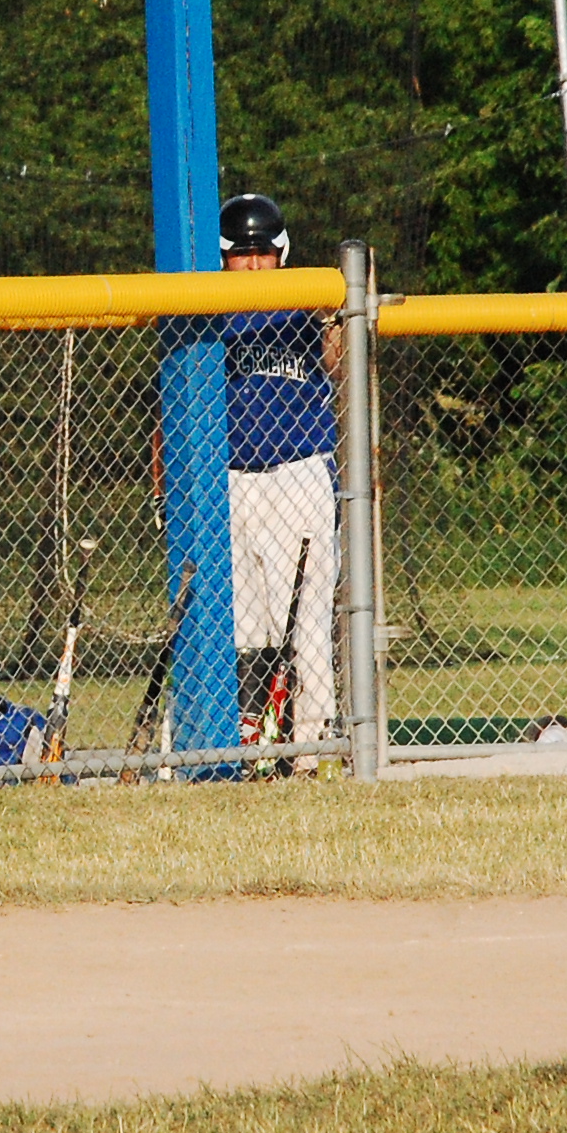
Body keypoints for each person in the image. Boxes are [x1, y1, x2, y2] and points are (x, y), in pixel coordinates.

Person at [218, 191, 340, 766]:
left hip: (298, 473)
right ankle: (253, 744)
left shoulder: (305, 299)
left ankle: (313, 746)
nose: (252, 264)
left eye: (262, 252)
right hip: (231, 478)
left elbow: (341, 363)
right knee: (244, 623)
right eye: (240, 254)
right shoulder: (206, 306)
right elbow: (169, 405)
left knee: (306, 617)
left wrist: (332, 317)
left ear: (281, 253)